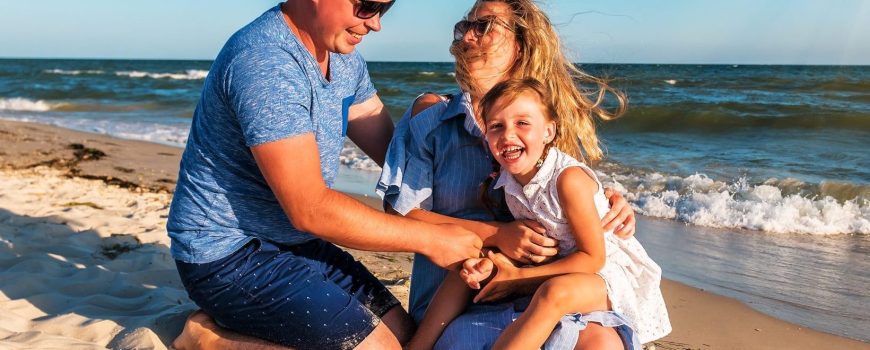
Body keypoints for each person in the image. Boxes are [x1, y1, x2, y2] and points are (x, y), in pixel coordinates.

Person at [166, 1, 485, 349]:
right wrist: (432, 239)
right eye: (368, 6)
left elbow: (394, 154)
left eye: (385, 9)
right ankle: (207, 339)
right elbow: (311, 208)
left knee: (406, 337)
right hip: (228, 257)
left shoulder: (342, 55)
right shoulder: (266, 62)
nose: (376, 24)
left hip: (294, 243)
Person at [377, 0, 643, 349]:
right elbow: (402, 214)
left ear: (521, 44)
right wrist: (497, 234)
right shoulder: (433, 115)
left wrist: (610, 201)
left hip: (542, 292)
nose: (469, 35)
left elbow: (564, 195)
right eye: (465, 26)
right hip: (459, 297)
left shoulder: (540, 120)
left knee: (602, 344)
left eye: (485, 25)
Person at [405, 79, 670, 350]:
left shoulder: (568, 180)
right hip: (558, 264)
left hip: (604, 276)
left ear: (548, 131)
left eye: (522, 123)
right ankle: (418, 345)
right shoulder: (508, 181)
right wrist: (494, 263)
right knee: (470, 263)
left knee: (553, 293)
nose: (508, 135)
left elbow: (593, 258)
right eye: (497, 126)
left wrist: (518, 279)